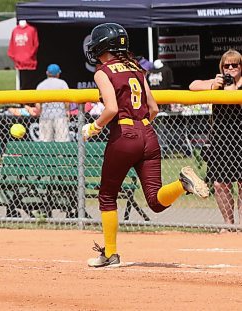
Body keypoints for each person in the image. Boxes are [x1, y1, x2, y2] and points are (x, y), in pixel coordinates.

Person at [83, 23, 209, 268]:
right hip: (148, 133)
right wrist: (140, 128)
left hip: (124, 133)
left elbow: (111, 109)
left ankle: (111, 254)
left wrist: (94, 127)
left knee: (107, 196)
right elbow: (153, 109)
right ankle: (182, 184)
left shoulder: (103, 71)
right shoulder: (136, 68)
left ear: (102, 46)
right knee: (155, 200)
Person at [189, 49, 242, 226]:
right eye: (227, 65)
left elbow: (233, 98)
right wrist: (214, 84)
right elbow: (193, 85)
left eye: (235, 64)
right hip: (220, 139)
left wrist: (233, 87)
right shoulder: (217, 83)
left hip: (240, 139)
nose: (231, 68)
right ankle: (228, 225)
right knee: (220, 184)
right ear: (222, 67)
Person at [35, 64, 70, 142]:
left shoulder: (41, 85)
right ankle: (62, 154)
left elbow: (37, 103)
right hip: (60, 114)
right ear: (58, 74)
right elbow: (67, 100)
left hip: (46, 114)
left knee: (45, 140)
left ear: (47, 73)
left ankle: (45, 154)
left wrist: (40, 112)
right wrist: (67, 110)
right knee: (62, 140)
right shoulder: (62, 83)